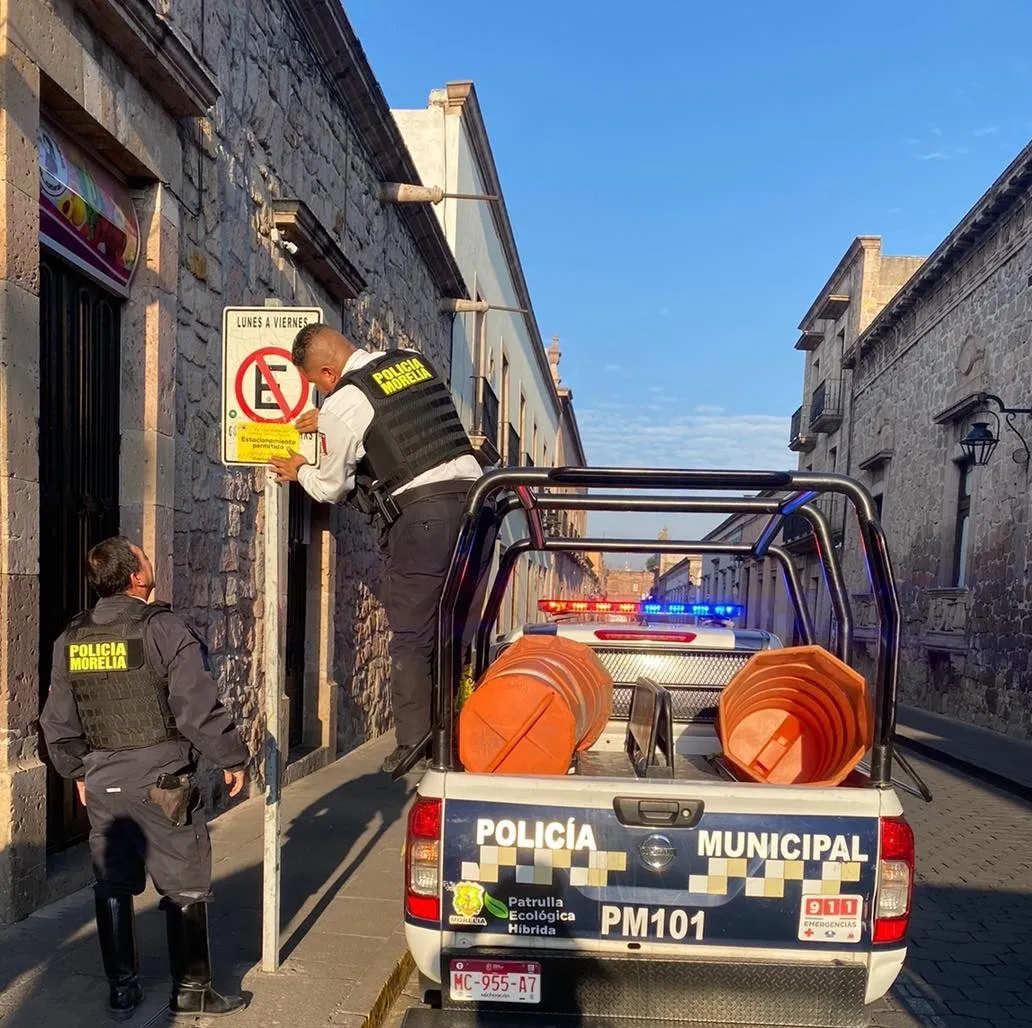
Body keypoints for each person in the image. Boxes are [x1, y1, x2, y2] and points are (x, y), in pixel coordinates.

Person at [39, 538, 249, 1021]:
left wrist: (77, 770)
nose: (151, 562)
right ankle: (193, 989)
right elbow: (197, 709)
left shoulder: (71, 638)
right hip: (163, 779)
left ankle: (121, 990)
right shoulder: (164, 628)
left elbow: (57, 721)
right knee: (185, 883)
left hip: (104, 779)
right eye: (146, 558)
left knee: (112, 882)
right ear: (136, 576)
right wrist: (232, 757)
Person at [268, 324, 492, 775]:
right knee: (457, 636)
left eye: (316, 383)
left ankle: (414, 743)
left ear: (328, 372)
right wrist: (333, 420)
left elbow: (331, 487)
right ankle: (460, 734)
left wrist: (301, 471)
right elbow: (394, 423)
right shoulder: (409, 358)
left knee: (412, 638)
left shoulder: (342, 404)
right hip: (479, 509)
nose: (319, 392)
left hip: (425, 522)